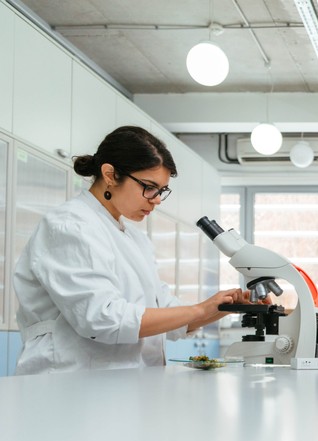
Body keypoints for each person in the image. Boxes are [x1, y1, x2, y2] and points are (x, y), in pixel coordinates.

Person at [14, 125, 253, 374]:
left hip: (123, 384)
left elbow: (164, 316)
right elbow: (102, 319)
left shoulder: (134, 239)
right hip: (69, 381)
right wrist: (199, 310)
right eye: (149, 187)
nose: (157, 199)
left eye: (161, 190)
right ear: (110, 174)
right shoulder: (70, 226)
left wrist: (221, 307)